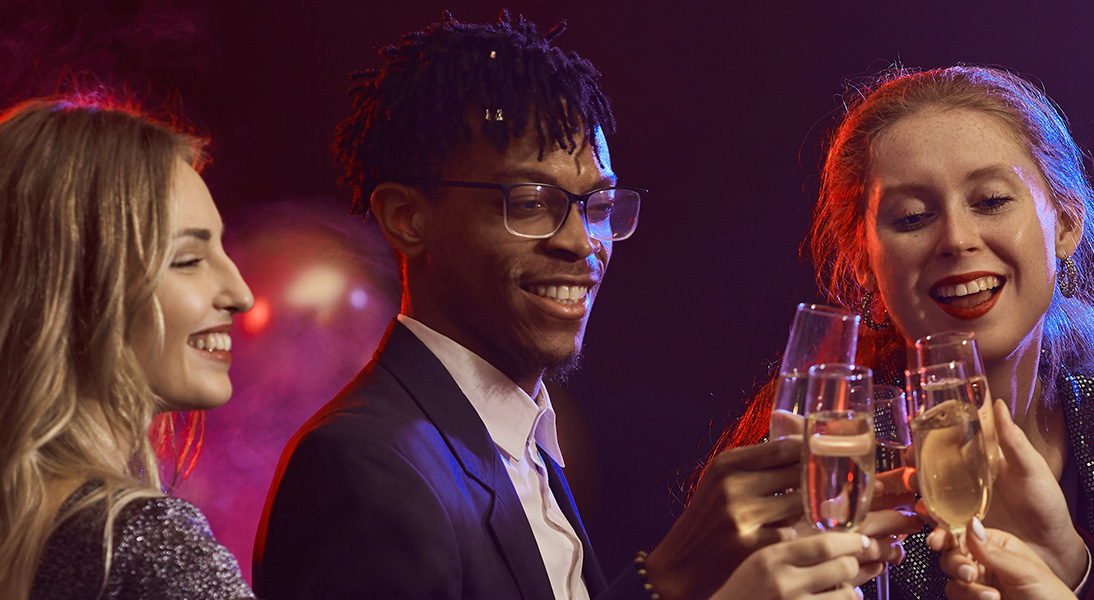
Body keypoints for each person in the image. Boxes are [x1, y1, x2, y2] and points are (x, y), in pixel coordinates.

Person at [253, 13, 881, 600]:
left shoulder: (516, 439)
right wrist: (670, 577)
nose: (582, 243)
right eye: (531, 202)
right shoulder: (361, 464)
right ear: (406, 218)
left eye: (598, 206)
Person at [706, 65, 1094, 600]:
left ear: (1067, 223)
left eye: (991, 201)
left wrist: (1076, 571)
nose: (955, 238)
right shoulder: (821, 452)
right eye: (911, 217)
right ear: (862, 259)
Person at [0, 94, 256, 599]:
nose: (241, 294)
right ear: (75, 289)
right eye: (188, 260)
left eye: (222, 250)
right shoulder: (151, 551)